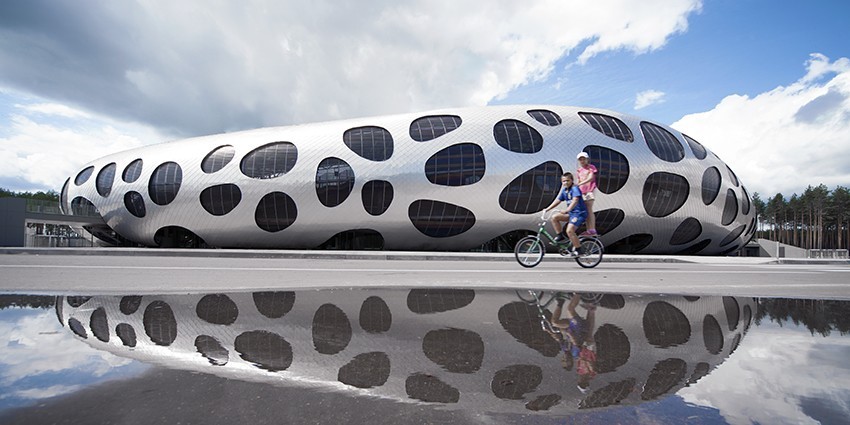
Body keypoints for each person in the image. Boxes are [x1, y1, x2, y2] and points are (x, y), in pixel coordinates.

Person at [543, 172, 587, 256]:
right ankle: (560, 235)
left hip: (579, 214)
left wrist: (567, 210)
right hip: (571, 214)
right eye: (563, 181)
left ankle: (579, 249)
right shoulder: (565, 190)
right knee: (554, 217)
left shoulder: (575, 189)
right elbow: (558, 200)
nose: (565, 182)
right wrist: (547, 209)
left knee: (569, 230)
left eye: (567, 180)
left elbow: (575, 200)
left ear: (572, 180)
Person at [575, 152, 598, 236]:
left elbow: (591, 178)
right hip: (582, 192)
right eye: (580, 159)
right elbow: (578, 180)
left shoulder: (591, 167)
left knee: (589, 209)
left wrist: (580, 184)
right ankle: (589, 230)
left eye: (583, 159)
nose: (582, 161)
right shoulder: (579, 170)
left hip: (589, 191)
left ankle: (592, 229)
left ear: (587, 159)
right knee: (585, 211)